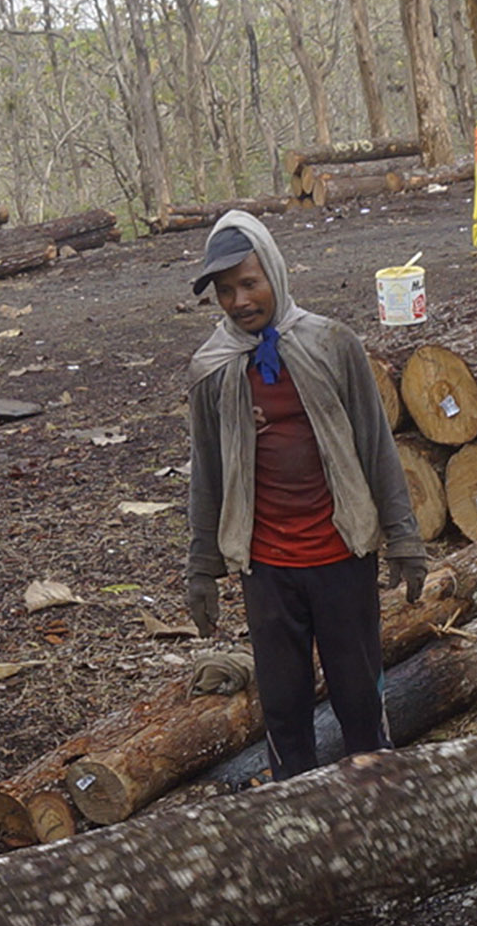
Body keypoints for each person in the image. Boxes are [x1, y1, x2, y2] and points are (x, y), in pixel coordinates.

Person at [180, 211, 428, 781]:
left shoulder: (331, 344)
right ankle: (294, 819)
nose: (239, 300)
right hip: (267, 566)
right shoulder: (213, 372)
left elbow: (375, 446)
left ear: (275, 272)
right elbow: (208, 472)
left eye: (249, 282)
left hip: (342, 555)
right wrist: (202, 568)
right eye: (225, 291)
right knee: (284, 705)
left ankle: (374, 807)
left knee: (359, 697)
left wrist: (404, 539)